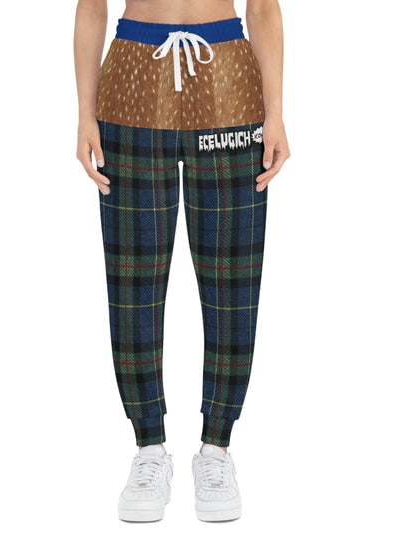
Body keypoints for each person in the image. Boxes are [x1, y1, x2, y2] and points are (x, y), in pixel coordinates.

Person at [74, 0, 289, 522]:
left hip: (228, 82)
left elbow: (262, 8)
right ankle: (149, 447)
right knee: (133, 275)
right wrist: (83, 114)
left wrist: (276, 112)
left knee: (232, 277)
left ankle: (217, 448)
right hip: (131, 78)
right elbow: (91, 7)